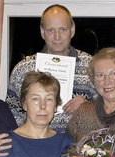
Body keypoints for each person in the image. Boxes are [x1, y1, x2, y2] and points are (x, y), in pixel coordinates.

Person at [6, 4, 97, 133]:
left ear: (72, 30)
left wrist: (88, 106)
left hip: (79, 147)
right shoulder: (22, 69)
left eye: (63, 29)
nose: (57, 37)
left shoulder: (92, 65)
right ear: (42, 32)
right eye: (51, 30)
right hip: (36, 146)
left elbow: (109, 108)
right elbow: (11, 114)